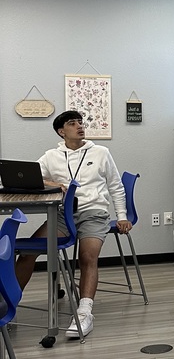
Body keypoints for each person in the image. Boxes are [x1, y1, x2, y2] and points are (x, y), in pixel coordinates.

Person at [14, 110, 131, 339]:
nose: (79, 125)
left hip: (93, 213)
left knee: (87, 257)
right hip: (62, 215)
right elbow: (29, 178)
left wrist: (122, 215)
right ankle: (8, 303)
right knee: (27, 253)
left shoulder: (101, 153)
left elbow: (116, 186)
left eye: (80, 121)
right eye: (72, 123)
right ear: (61, 131)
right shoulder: (51, 156)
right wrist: (53, 182)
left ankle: (85, 312)